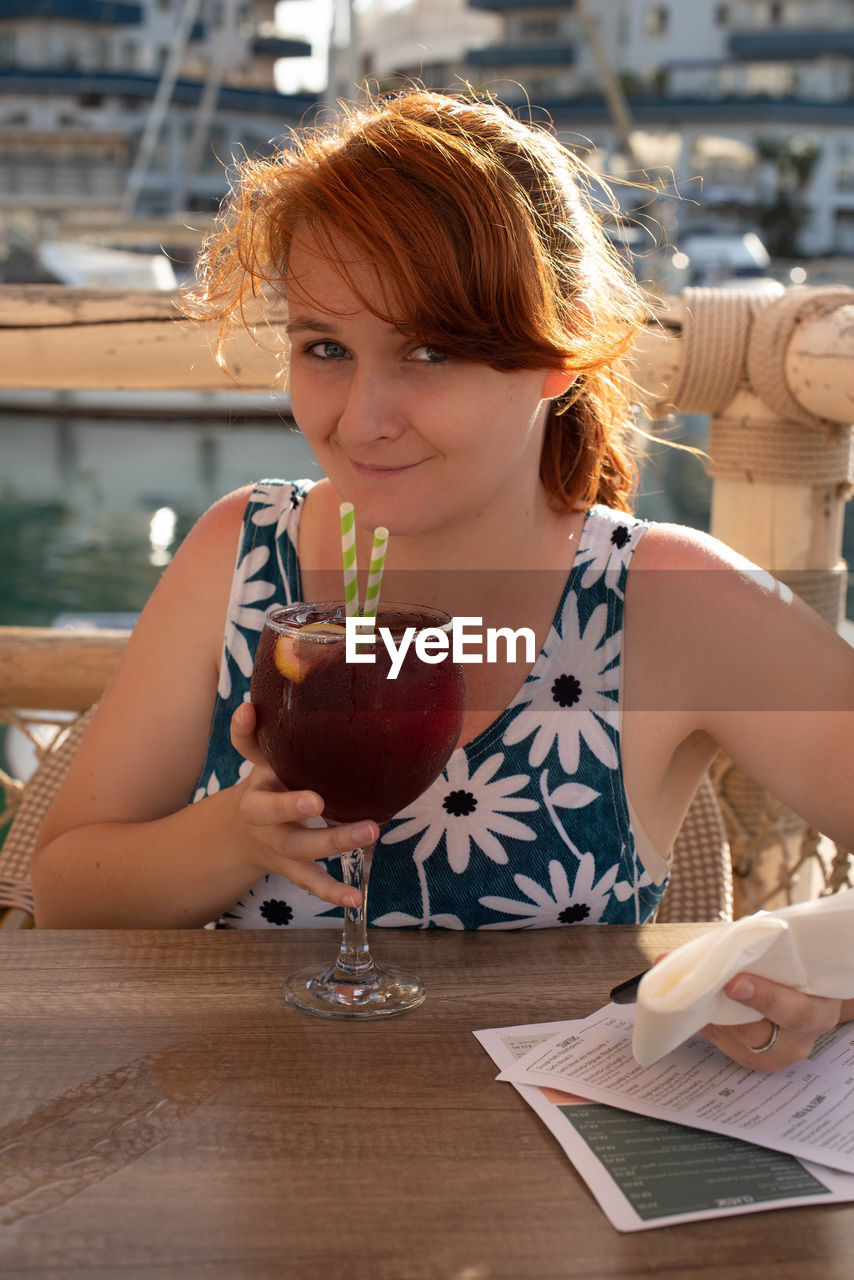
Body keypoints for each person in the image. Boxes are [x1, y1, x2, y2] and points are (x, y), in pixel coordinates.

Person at [31, 90, 853, 1070]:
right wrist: (237, 836)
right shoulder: (239, 555)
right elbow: (63, 885)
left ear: (558, 350)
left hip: (550, 1193)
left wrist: (824, 992)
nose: (361, 416)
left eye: (431, 349)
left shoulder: (666, 599)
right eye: (324, 348)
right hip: (257, 1174)